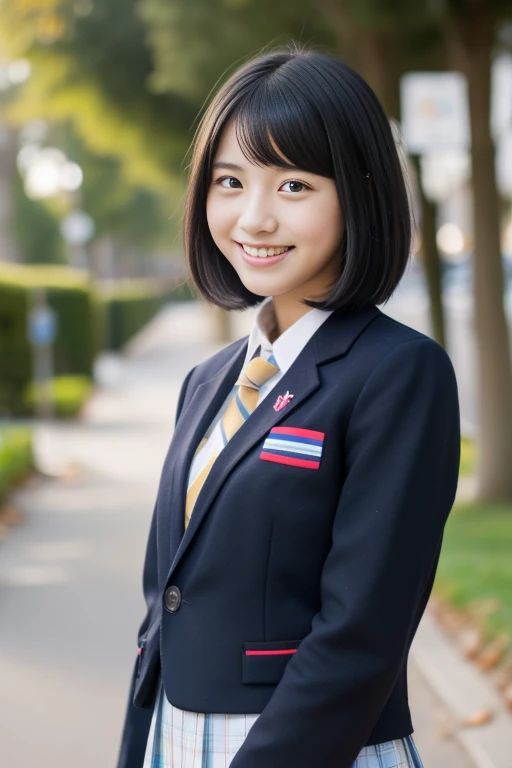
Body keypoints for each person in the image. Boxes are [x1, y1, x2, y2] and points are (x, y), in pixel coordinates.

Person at [116, 44, 460, 768]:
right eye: (230, 181)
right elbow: (165, 600)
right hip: (174, 738)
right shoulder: (209, 381)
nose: (255, 217)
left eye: (295, 186)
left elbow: (360, 635)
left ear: (361, 189)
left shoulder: (399, 373)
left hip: (305, 748)